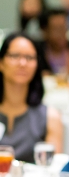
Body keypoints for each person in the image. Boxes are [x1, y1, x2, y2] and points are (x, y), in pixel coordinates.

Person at [0, 32, 63, 162]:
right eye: (15, 56)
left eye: (29, 58)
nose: (22, 63)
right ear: (1, 63)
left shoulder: (50, 118)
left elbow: (52, 171)